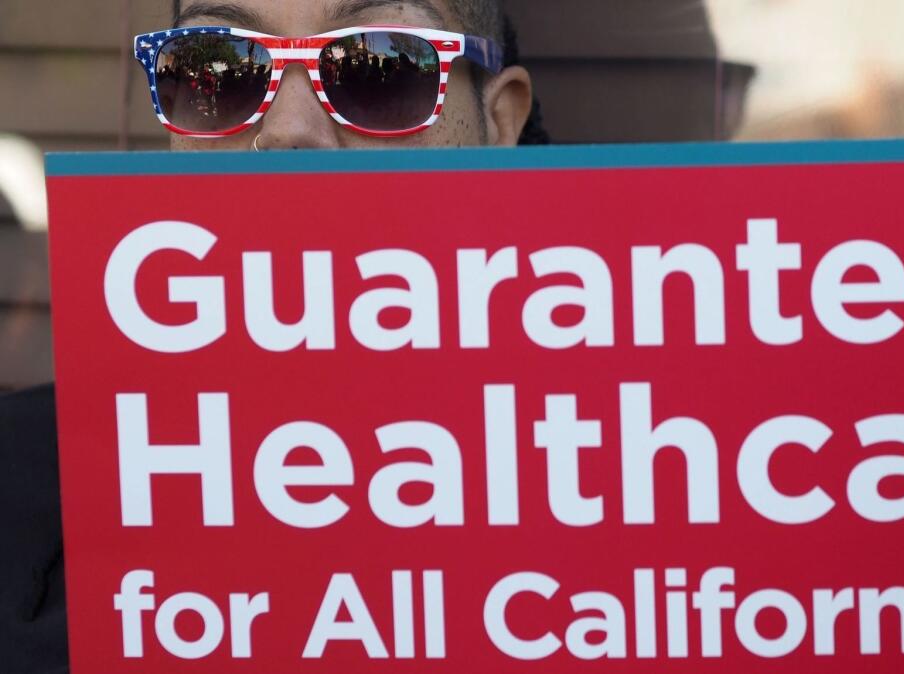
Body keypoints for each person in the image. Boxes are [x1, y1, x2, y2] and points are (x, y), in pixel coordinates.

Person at [0, 1, 545, 671]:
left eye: (379, 67)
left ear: (500, 121)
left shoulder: (628, 480)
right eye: (220, 68)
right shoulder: (16, 479)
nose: (287, 131)